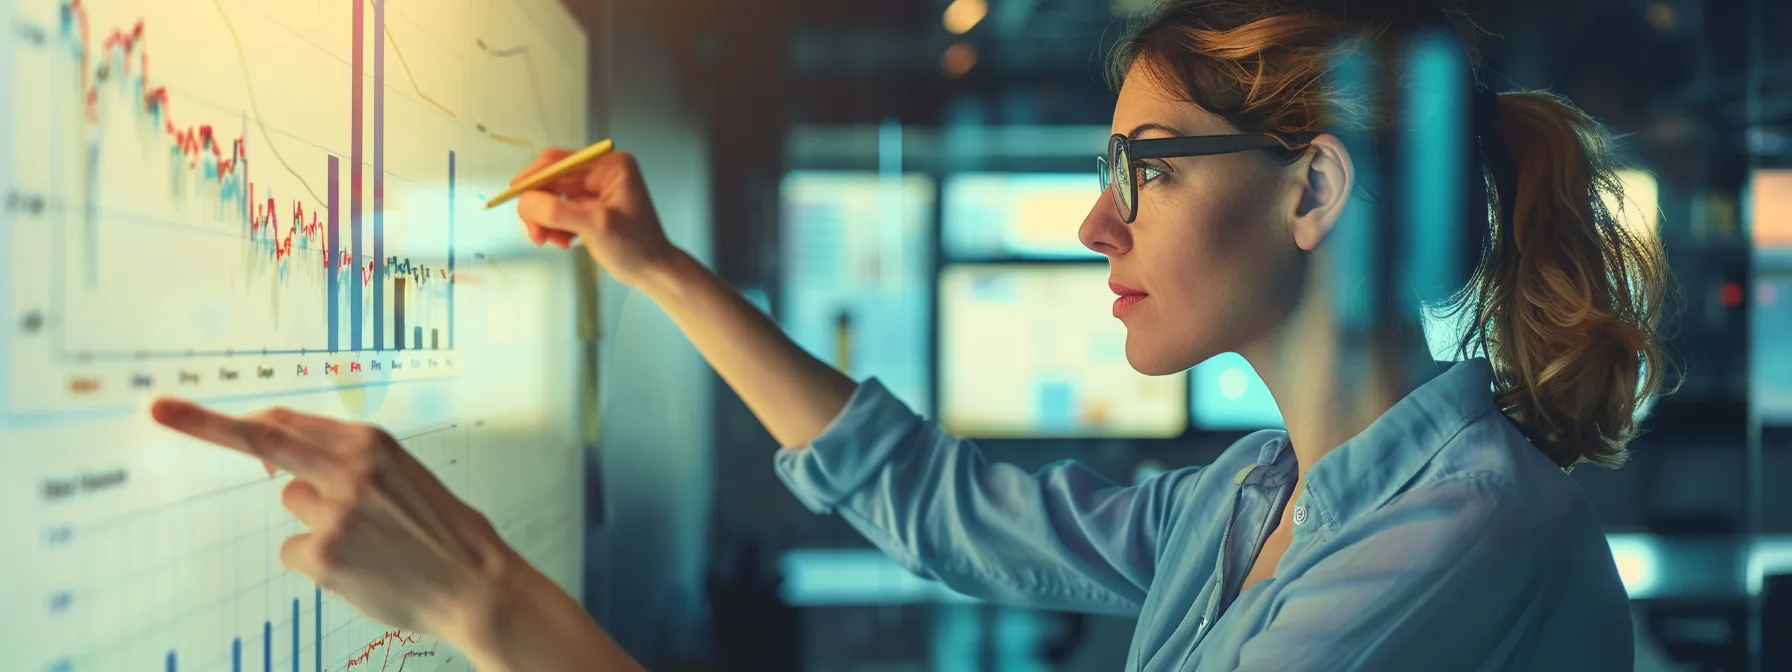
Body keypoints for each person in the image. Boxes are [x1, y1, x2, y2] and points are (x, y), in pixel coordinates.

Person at [150, 0, 1672, 669]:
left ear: (1311, 190)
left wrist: (493, 601)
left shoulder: (1469, 543)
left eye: (1143, 166)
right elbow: (946, 508)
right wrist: (663, 270)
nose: (1101, 223)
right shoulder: (1252, 500)